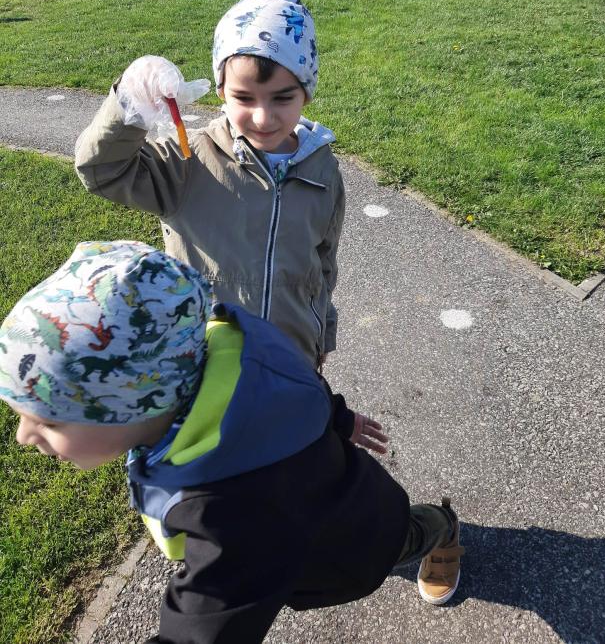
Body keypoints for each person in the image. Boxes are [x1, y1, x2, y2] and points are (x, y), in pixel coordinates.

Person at [0, 241, 465, 644]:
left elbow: (204, 624)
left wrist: (338, 418)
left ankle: (444, 529)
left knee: (408, 536)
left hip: (356, 548)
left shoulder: (229, 512)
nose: (23, 437)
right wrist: (339, 418)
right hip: (343, 495)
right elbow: (301, 389)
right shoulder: (234, 356)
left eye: (48, 422)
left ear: (133, 404)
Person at [75, 0, 345, 371]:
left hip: (290, 362)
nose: (263, 117)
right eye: (244, 98)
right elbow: (101, 169)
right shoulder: (190, 161)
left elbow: (323, 264)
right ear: (221, 91)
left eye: (282, 98)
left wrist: (322, 333)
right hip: (201, 366)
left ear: (306, 93)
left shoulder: (322, 171)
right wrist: (128, 105)